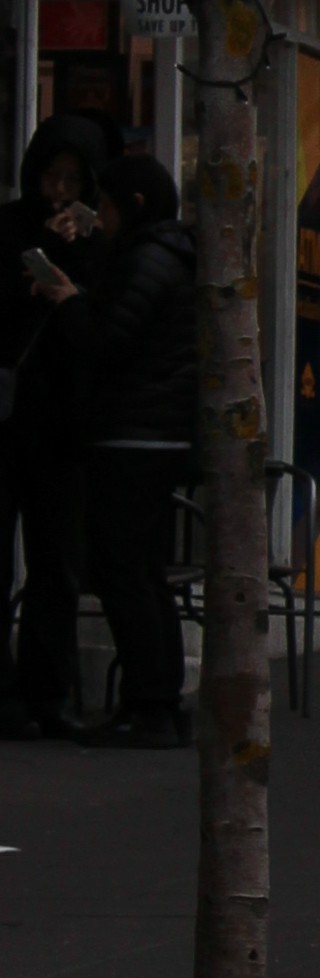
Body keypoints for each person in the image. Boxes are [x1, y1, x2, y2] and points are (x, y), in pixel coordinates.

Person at [19, 152, 197, 743]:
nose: (104, 216)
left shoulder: (148, 258)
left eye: (110, 204)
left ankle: (149, 703)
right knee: (143, 572)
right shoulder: (169, 256)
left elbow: (108, 340)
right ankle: (156, 702)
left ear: (135, 206)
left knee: (124, 572)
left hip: (134, 435)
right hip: (152, 433)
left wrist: (69, 300)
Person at [0, 116, 104, 734]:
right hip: (11, 413)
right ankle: (9, 693)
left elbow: (101, 324)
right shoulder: (10, 227)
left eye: (73, 181)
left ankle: (49, 691)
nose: (60, 192)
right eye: (51, 177)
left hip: (62, 423)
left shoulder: (97, 242)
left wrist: (75, 261)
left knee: (56, 563)